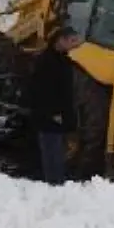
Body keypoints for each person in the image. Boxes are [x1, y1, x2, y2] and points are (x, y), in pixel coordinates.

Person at [29, 27, 82, 185]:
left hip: (59, 115)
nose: (76, 44)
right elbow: (43, 90)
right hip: (49, 116)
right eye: (72, 41)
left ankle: (57, 180)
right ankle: (53, 183)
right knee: (52, 152)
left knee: (57, 150)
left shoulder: (63, 61)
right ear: (61, 40)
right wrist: (53, 113)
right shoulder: (46, 62)